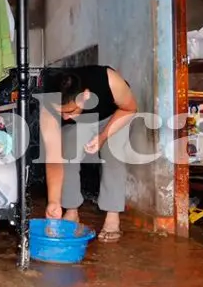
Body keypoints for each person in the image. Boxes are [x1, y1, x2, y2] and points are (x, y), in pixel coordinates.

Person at [38, 65, 137, 242]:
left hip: (113, 117)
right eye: (61, 113)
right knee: (67, 152)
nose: (65, 117)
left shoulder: (109, 80)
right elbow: (53, 157)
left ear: (85, 96)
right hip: (80, 124)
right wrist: (53, 202)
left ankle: (112, 214)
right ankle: (71, 211)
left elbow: (129, 108)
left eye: (70, 111)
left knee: (113, 152)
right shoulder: (49, 104)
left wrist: (103, 136)